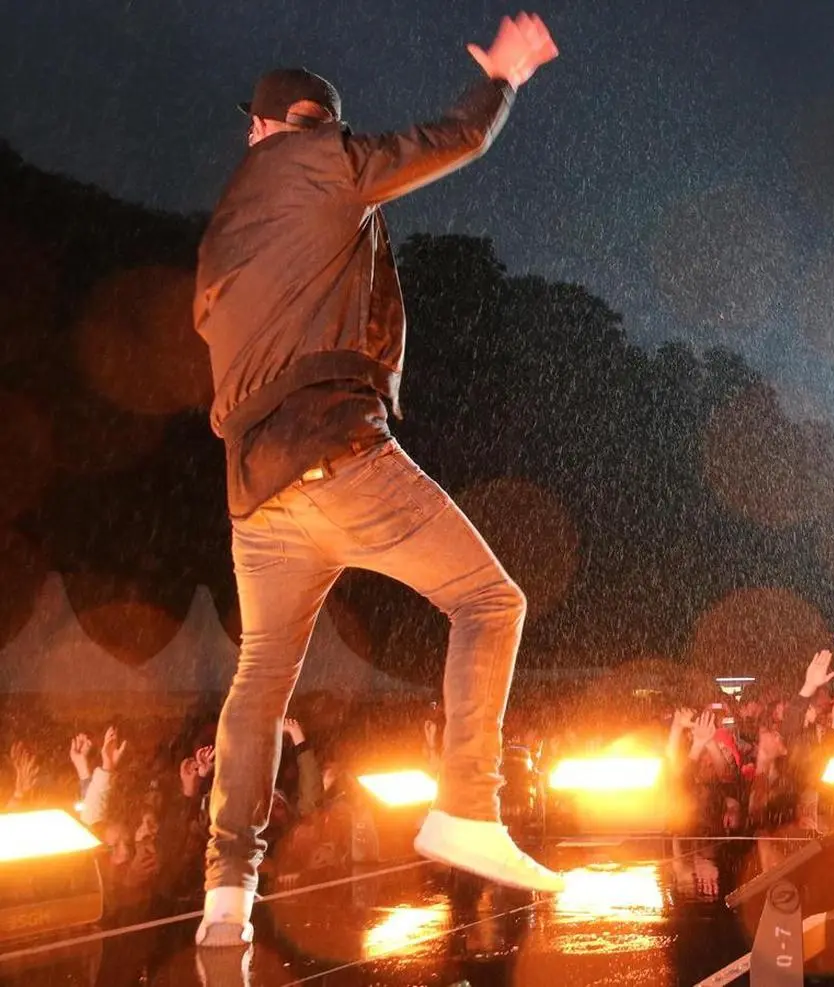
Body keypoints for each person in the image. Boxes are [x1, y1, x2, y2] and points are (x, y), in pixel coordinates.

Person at [191, 13, 560, 947]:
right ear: (304, 124)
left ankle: (228, 886)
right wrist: (502, 80)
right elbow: (452, 139)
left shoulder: (227, 229)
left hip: (256, 498)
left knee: (260, 677)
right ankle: (467, 807)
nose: (252, 136)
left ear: (261, 123)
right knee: (491, 601)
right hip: (334, 453)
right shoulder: (312, 162)